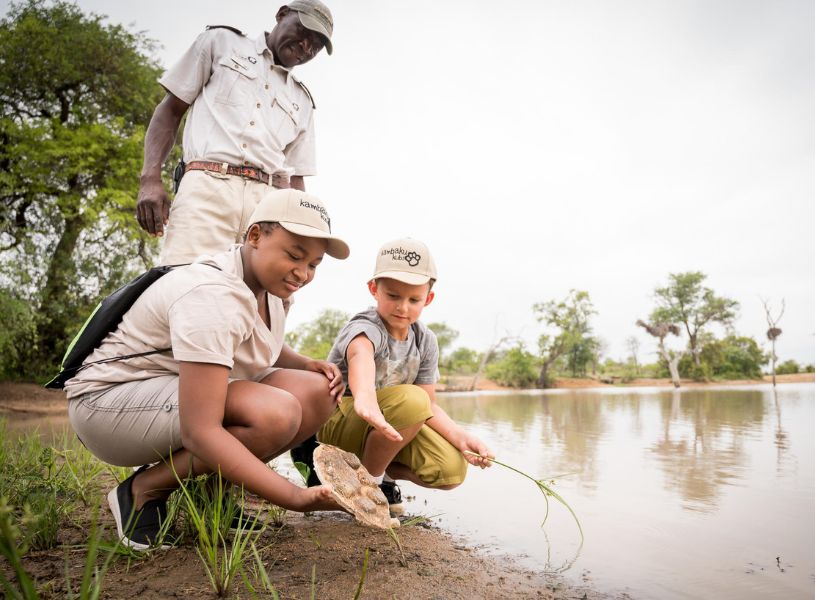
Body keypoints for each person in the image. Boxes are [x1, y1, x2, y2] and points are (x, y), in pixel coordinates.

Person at [65, 188, 349, 550]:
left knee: (318, 391)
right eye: (295, 255)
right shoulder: (213, 294)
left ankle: (213, 497)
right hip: (106, 407)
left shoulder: (271, 289)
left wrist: (306, 364)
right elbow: (201, 431)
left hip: (163, 392)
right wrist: (293, 497)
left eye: (313, 264)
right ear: (255, 236)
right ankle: (142, 492)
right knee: (275, 412)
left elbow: (255, 338)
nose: (303, 273)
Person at [136, 0, 334, 266]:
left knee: (255, 292)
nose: (306, 47)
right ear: (282, 14)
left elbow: (295, 179)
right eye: (303, 32)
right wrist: (150, 179)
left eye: (316, 46)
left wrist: (300, 234)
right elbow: (171, 111)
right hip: (206, 189)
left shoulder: (303, 101)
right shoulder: (221, 43)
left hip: (266, 210)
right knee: (185, 279)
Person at [313, 238, 494, 516]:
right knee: (413, 399)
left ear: (428, 299)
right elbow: (360, 354)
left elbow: (429, 405)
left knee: (450, 469)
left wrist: (460, 437)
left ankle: (375, 474)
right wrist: (365, 397)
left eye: (414, 300)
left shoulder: (425, 340)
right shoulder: (366, 326)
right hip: (344, 418)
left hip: (386, 426)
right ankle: (369, 487)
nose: (403, 307)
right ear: (374, 289)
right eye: (393, 296)